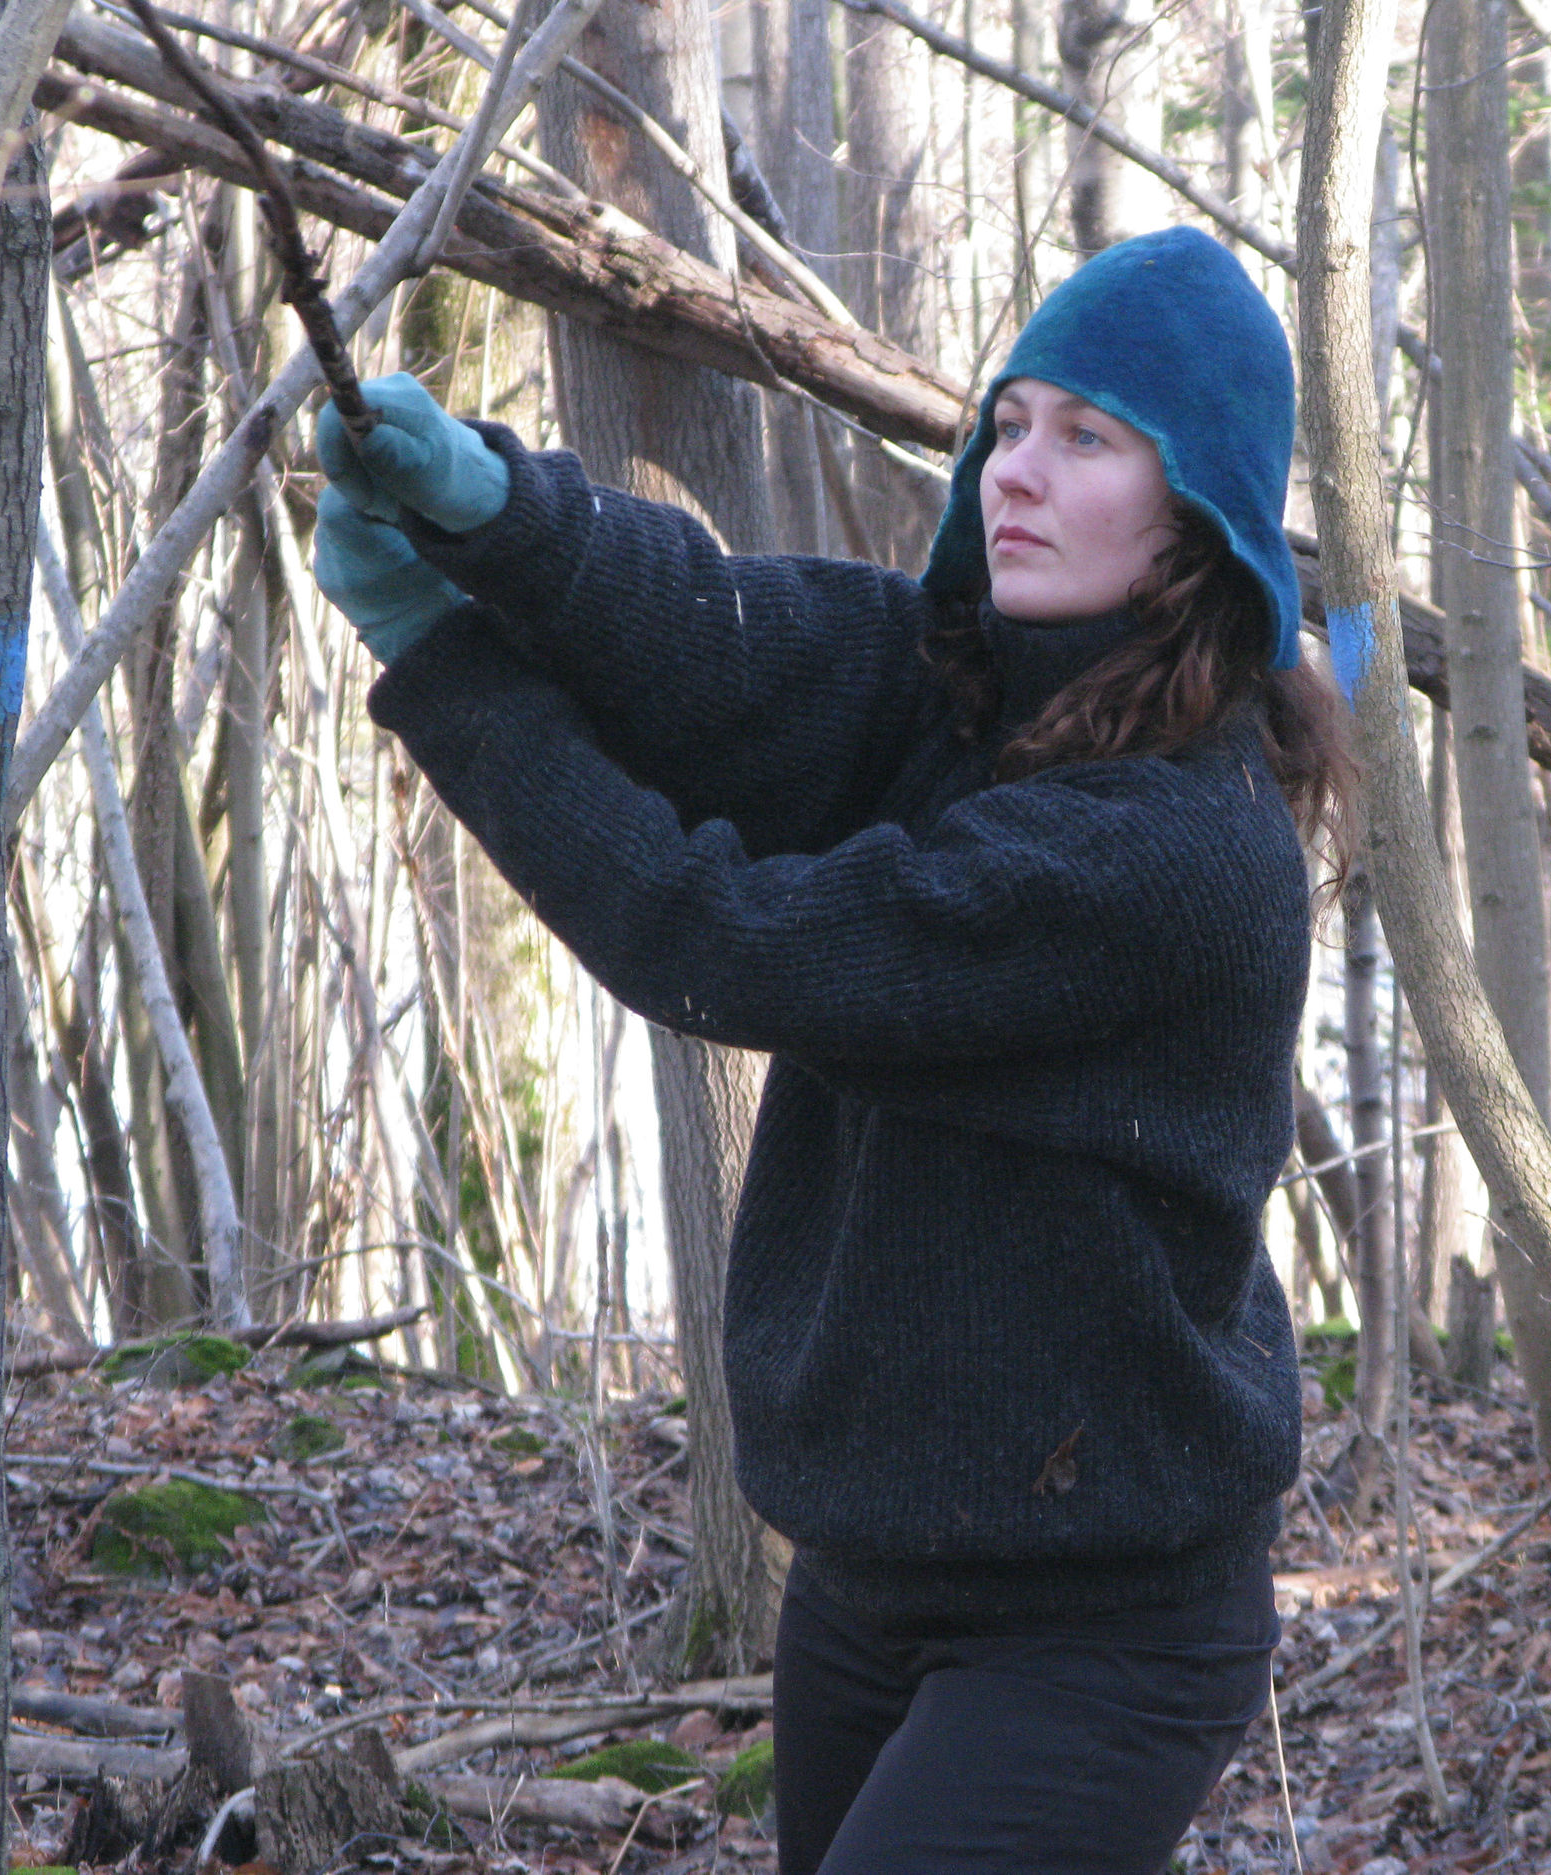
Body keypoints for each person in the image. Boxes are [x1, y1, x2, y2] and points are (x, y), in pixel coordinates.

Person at [313, 226, 1353, 1872]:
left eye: (1088, 438)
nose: (1019, 467)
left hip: (1102, 1630)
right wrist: (499, 510)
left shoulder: (1179, 855)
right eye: (1009, 422)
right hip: (874, 1580)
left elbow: (721, 940)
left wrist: (448, 670)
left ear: (1196, 515)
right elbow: (722, 644)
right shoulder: (960, 687)